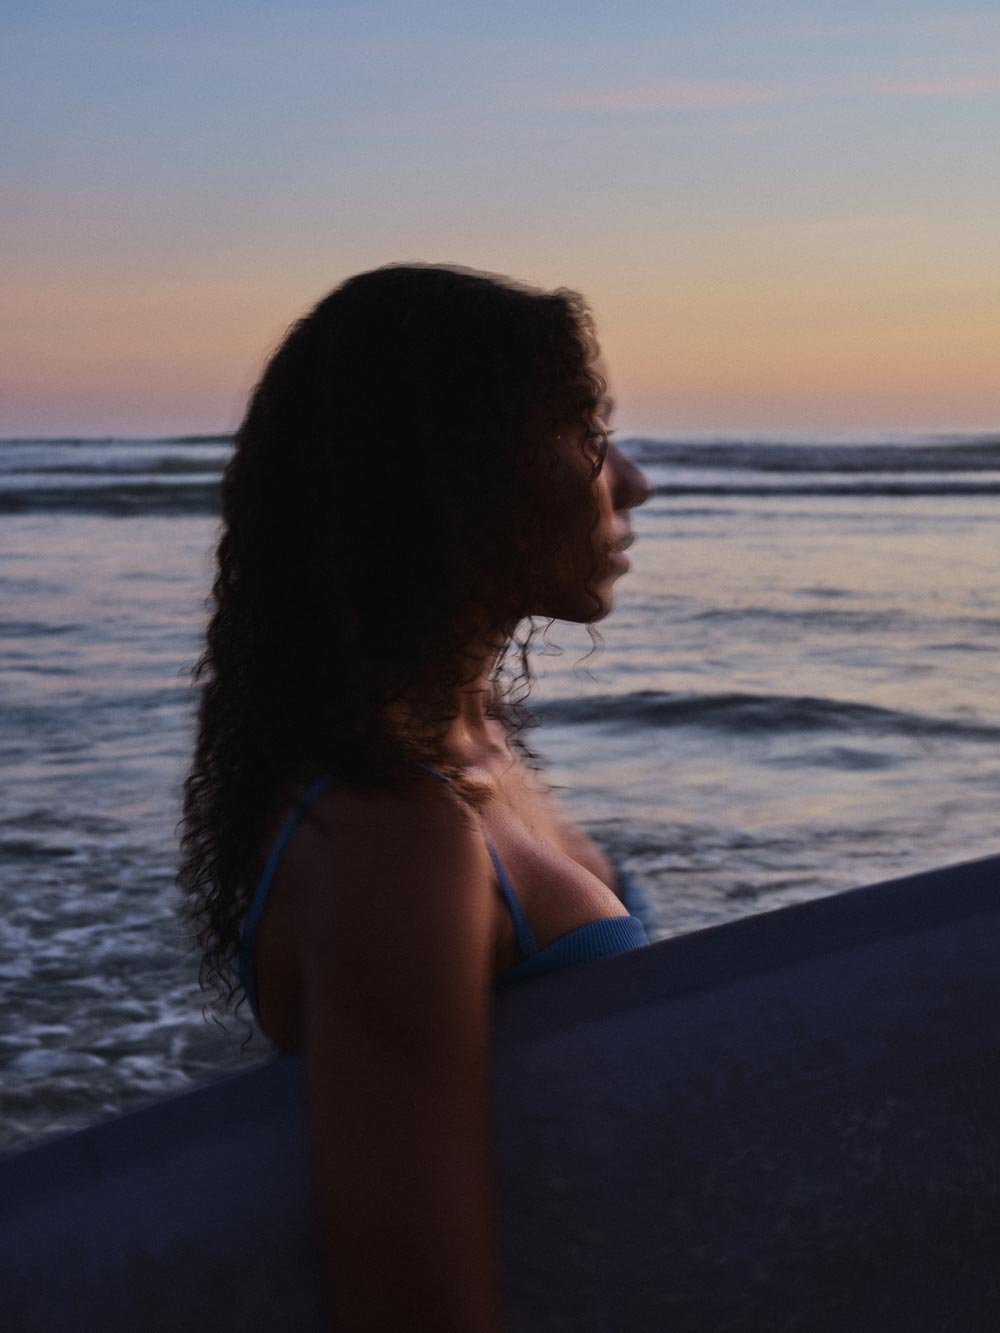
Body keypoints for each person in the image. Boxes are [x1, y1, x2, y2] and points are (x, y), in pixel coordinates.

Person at [178, 262, 654, 1331]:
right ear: (454, 481)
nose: (629, 480)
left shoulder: (470, 750)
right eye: (589, 436)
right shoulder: (395, 842)